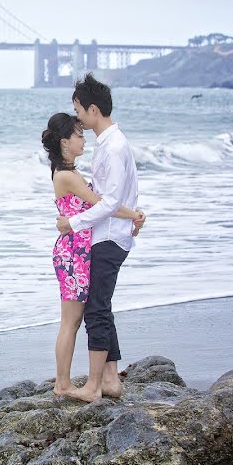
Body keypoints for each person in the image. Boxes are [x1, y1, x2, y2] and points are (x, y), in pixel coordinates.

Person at [41, 112, 144, 396]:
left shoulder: (72, 173)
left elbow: (102, 205)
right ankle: (62, 383)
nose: (83, 139)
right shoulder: (66, 176)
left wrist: (131, 216)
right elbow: (104, 204)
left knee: (84, 316)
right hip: (73, 252)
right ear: (65, 142)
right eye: (78, 135)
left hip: (80, 250)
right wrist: (133, 214)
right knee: (71, 321)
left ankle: (95, 379)